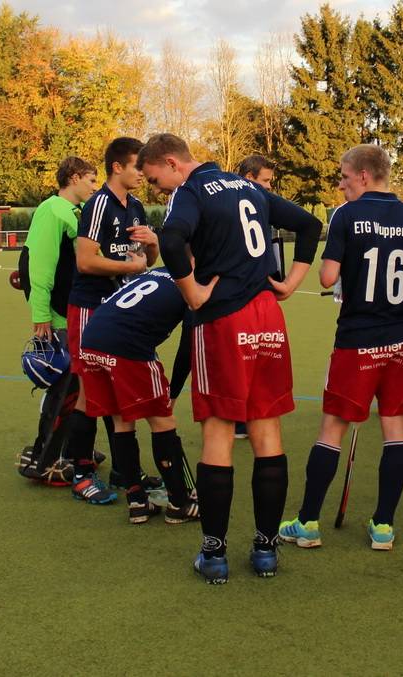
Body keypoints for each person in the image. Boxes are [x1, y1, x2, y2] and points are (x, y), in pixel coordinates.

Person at [137, 133, 322, 583]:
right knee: (266, 431)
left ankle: (214, 554)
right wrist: (294, 280)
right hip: (267, 318)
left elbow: (173, 239)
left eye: (155, 178)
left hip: (223, 321)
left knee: (218, 432)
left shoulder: (192, 190)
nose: (156, 189)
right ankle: (265, 550)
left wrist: (192, 291)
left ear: (172, 162)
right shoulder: (249, 187)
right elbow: (310, 225)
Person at [279, 144, 403, 551]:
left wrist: (341, 267)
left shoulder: (346, 216)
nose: (340, 183)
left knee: (332, 429)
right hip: (402, 341)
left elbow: (327, 276)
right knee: (395, 431)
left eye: (344, 176)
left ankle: (308, 522)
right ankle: (383, 526)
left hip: (357, 342)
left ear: (365, 175)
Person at [65, 137, 157, 506]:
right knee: (91, 393)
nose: (142, 173)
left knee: (120, 392)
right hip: (90, 307)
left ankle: (125, 471)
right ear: (117, 167)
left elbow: (147, 259)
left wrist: (151, 244)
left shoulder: (135, 206)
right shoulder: (100, 203)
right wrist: (131, 266)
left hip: (120, 309)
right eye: (137, 166)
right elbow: (85, 261)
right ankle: (81, 473)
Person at [78, 267, 200, 523]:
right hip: (127, 345)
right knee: (162, 421)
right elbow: (188, 347)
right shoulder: (193, 282)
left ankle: (137, 501)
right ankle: (179, 502)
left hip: (91, 338)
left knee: (121, 420)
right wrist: (173, 394)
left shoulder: (158, 272)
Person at [16, 156, 98, 484]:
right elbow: (40, 265)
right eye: (91, 180)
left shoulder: (72, 212)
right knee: (65, 389)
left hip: (72, 311)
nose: (94, 187)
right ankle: (46, 460)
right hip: (58, 316)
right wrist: (41, 317)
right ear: (74, 178)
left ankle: (73, 451)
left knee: (78, 388)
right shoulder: (53, 210)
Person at [233, 154, 277, 441]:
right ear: (249, 178)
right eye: (265, 181)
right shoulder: (230, 207)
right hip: (236, 296)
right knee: (239, 357)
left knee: (261, 356)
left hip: (261, 291)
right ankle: (235, 419)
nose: (269, 187)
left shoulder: (262, 204)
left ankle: (252, 414)